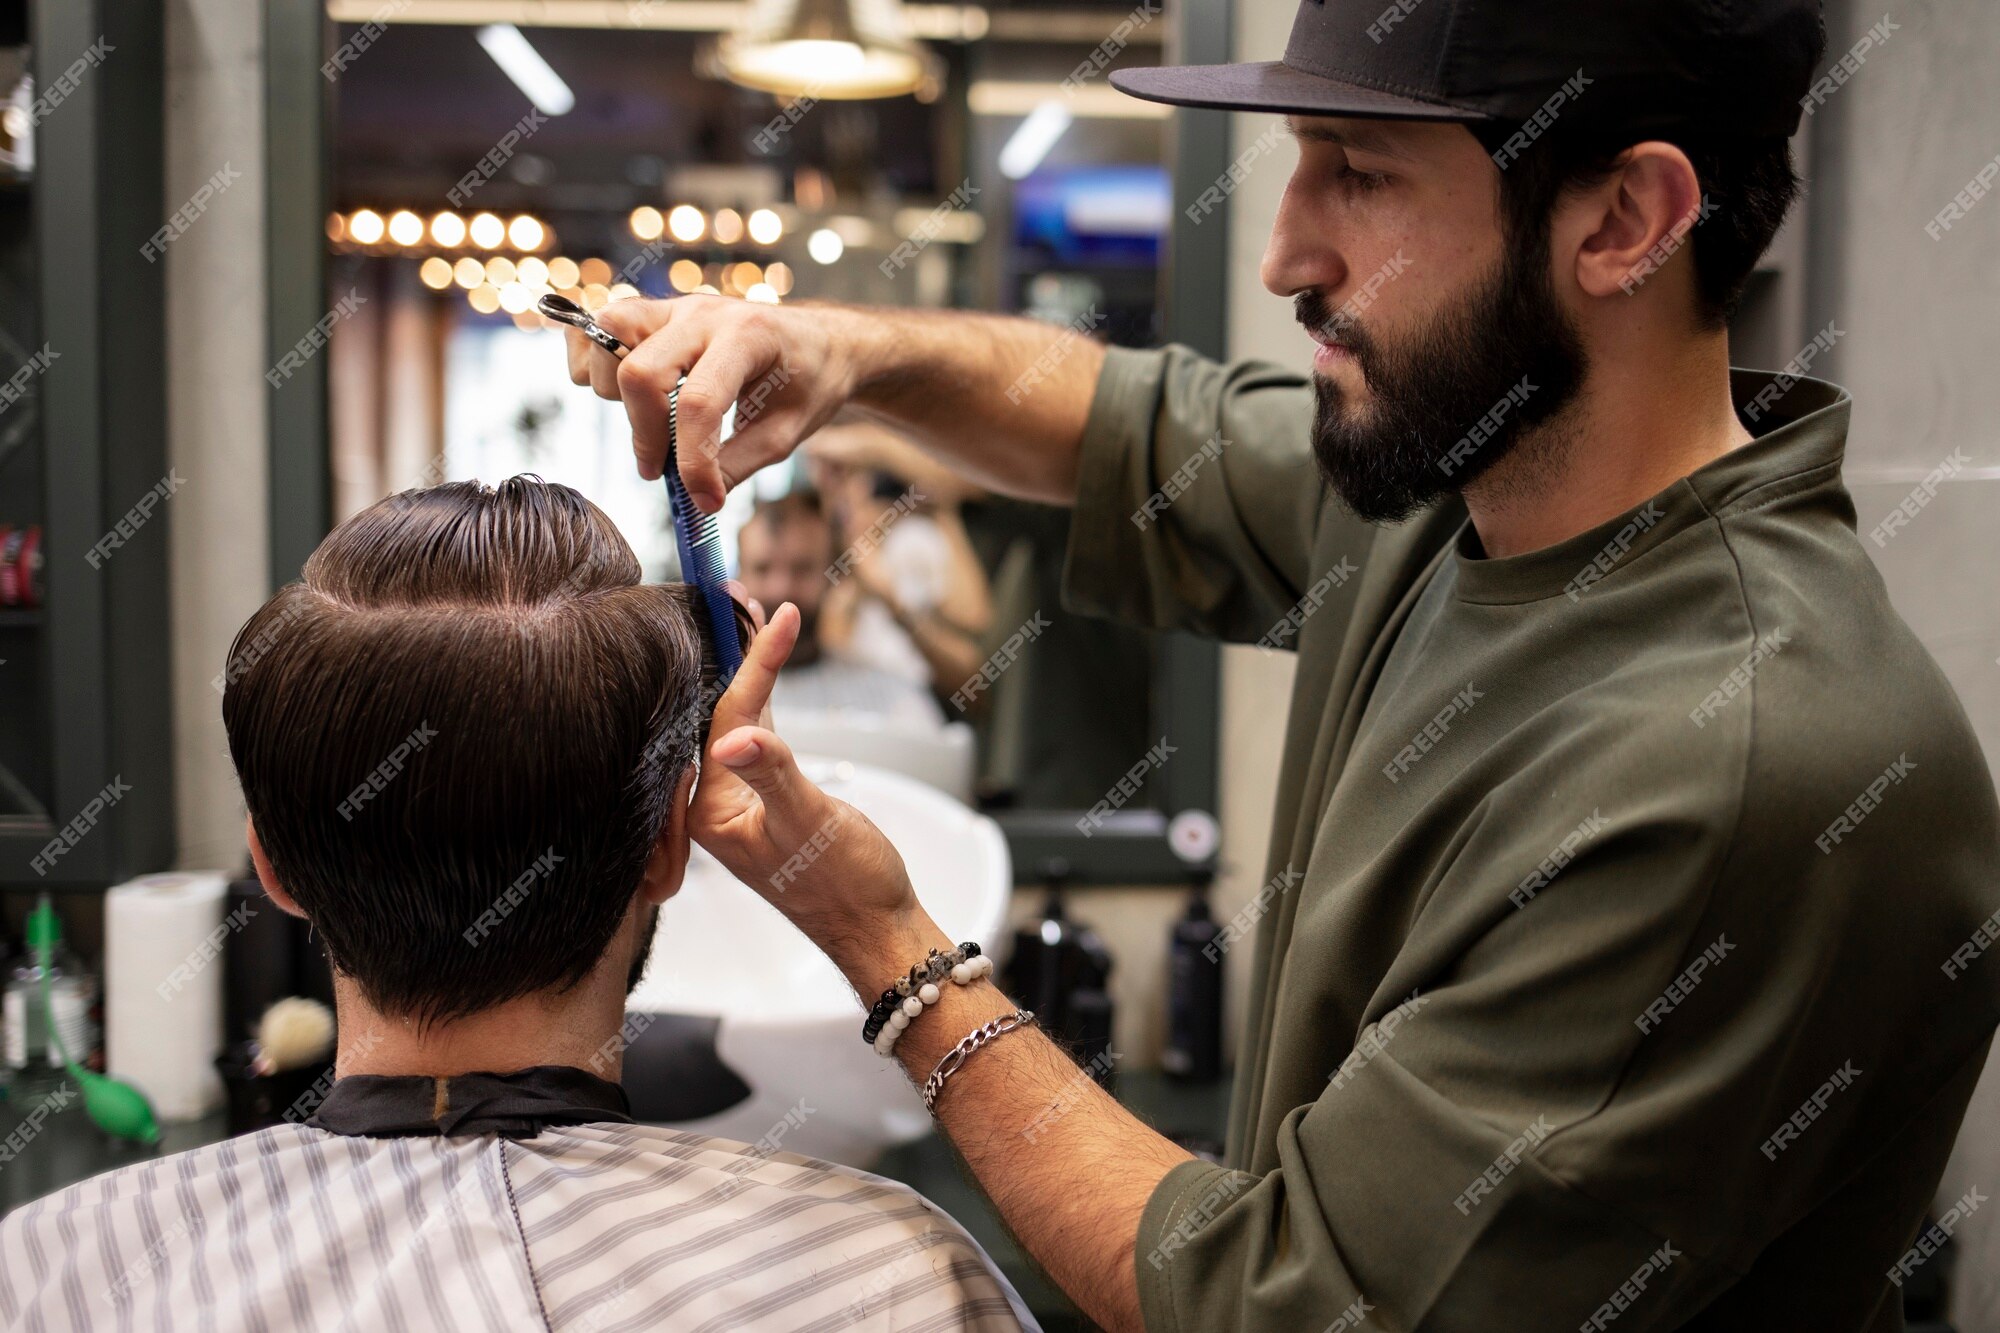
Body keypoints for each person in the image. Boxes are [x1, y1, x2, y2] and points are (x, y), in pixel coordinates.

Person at [565, 1, 2000, 1329]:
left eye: (1361, 176)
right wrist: (835, 350)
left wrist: (890, 948)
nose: (1283, 255)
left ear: (1625, 219)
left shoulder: (1735, 762)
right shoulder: (1458, 488)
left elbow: (1269, 1307)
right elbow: (1125, 423)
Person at [0, 479, 1034, 1333]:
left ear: (273, 868)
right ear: (667, 848)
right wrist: (879, 927)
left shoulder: (50, 1272)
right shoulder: (892, 1282)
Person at [735, 489, 947, 732]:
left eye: (802, 569)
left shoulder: (891, 698)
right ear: (739, 575)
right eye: (762, 569)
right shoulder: (709, 694)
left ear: (833, 578)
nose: (780, 590)